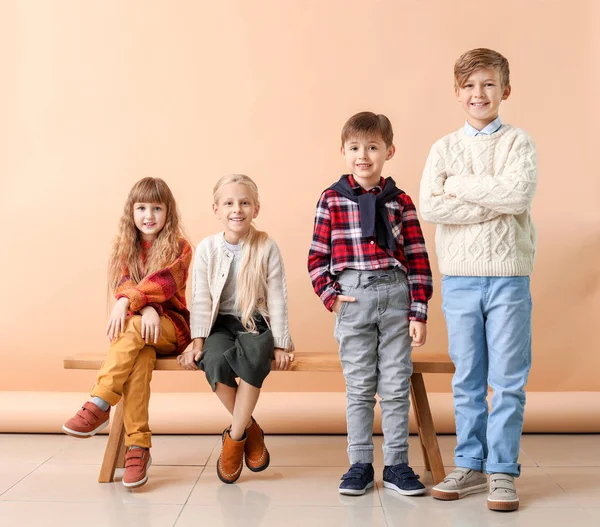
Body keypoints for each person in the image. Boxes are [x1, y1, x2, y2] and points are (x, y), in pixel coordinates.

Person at [420, 48, 537, 512]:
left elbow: (519, 193)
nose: (478, 93)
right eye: (469, 86)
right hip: (461, 279)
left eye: (488, 84)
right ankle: (469, 463)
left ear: (504, 90)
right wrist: (494, 198)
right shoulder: (443, 148)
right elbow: (432, 206)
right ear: (457, 93)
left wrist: (459, 186)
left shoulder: (519, 144)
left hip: (509, 278)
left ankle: (503, 471)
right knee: (468, 378)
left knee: (507, 380)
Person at [308, 112, 433, 496]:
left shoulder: (400, 201)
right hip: (354, 297)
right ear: (343, 151)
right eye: (356, 148)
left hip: (396, 296)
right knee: (360, 386)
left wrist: (419, 311)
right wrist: (331, 296)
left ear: (389, 151)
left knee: (396, 385)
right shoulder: (331, 199)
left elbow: (417, 256)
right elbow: (316, 257)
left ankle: (397, 464)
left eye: (373, 147)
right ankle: (359, 463)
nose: (364, 155)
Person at [62, 177, 192, 489]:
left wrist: (133, 304)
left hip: (172, 328)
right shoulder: (125, 247)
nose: (149, 215)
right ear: (131, 212)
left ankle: (100, 403)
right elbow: (121, 281)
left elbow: (164, 284)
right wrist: (137, 305)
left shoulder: (180, 247)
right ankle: (138, 447)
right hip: (140, 337)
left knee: (132, 326)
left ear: (168, 212)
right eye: (142, 207)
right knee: (140, 358)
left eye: (157, 208)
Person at [179, 174, 294, 484]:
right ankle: (250, 430)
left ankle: (234, 438)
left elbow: (278, 297)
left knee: (256, 355)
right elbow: (201, 298)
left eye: (244, 203)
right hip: (220, 323)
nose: (237, 209)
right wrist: (198, 340)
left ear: (256, 208)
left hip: (255, 320)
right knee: (213, 360)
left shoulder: (266, 246)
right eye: (229, 203)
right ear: (216, 209)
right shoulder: (207, 248)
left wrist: (281, 344)